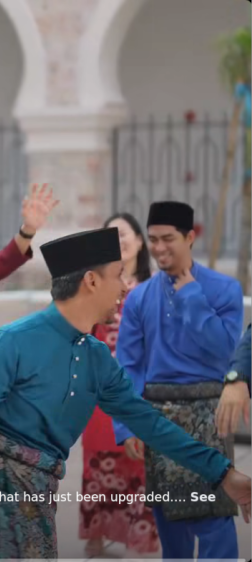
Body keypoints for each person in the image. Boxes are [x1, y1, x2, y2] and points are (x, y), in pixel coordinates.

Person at [0, 226, 252, 559]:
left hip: (38, 501)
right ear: (91, 281)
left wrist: (223, 474)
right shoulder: (10, 341)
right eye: (118, 275)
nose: (125, 286)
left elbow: (152, 425)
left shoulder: (97, 358)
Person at [114, 201, 246, 559]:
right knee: (170, 523)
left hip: (210, 415)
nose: (158, 248)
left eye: (168, 238)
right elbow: (128, 365)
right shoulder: (139, 297)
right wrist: (127, 425)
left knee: (214, 516)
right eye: (153, 239)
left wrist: (191, 296)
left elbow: (225, 351)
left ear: (189, 238)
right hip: (159, 421)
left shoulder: (224, 289)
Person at [78, 212, 158, 557]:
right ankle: (95, 540)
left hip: (145, 391)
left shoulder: (155, 288)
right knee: (98, 461)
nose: (119, 240)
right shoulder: (96, 286)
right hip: (101, 391)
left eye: (124, 233)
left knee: (141, 464)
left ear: (139, 241)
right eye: (111, 235)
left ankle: (139, 541)